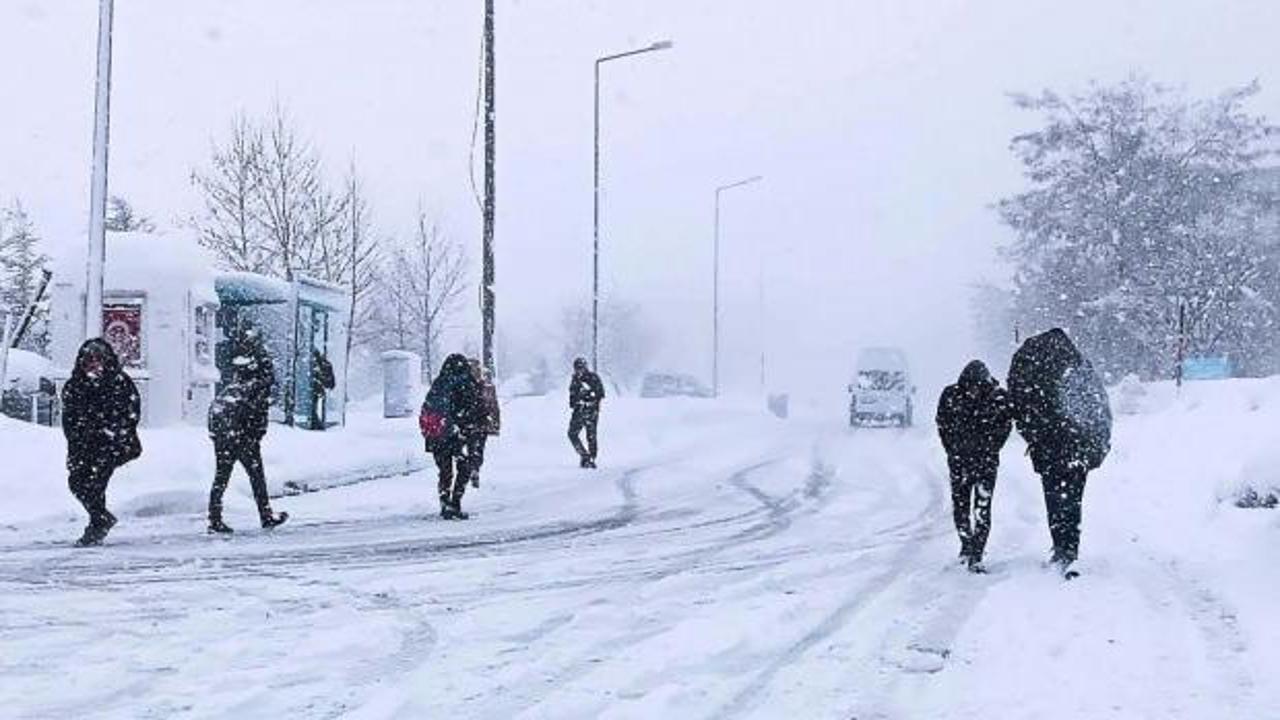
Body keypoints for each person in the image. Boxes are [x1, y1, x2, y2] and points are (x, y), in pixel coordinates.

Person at [1007, 328, 1111, 578]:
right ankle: (1070, 548)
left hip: (1049, 450)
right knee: (1073, 499)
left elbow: (1020, 408)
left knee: (1054, 499)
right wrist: (1095, 445)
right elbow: (1098, 409)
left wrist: (1034, 436)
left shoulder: (1032, 370)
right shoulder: (1078, 368)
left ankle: (1060, 546)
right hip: (1078, 449)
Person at [60, 338, 142, 547]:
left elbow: (131, 413)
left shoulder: (119, 383)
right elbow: (69, 418)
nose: (93, 366)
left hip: (111, 445)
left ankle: (96, 525)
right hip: (83, 446)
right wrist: (77, 439)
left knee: (96, 483)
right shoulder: (74, 385)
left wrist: (114, 433)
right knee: (77, 483)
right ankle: (100, 518)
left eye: (98, 360)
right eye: (88, 361)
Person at [206, 326, 288, 534]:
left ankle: (215, 518)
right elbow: (256, 410)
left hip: (225, 434)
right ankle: (265, 515)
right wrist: (253, 433)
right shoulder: (258, 383)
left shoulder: (238, 378)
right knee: (256, 475)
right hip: (243, 436)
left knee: (221, 476)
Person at [936, 360, 1012, 573]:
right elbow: (942, 423)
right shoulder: (951, 396)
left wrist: (991, 448)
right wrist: (952, 449)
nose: (973, 391)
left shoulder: (998, 398)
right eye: (970, 387)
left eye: (977, 387)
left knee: (982, 508)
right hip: (959, 462)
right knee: (961, 507)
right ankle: (966, 545)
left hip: (985, 463)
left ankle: (977, 552)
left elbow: (1005, 426)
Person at [421, 354, 484, 520]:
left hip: (437, 435)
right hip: (457, 435)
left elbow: (428, 409)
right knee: (464, 467)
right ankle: (456, 502)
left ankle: (444, 502)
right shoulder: (466, 383)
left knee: (445, 471)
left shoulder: (439, 383)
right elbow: (474, 410)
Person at [466, 358, 501, 489]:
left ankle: (471, 469)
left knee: (471, 448)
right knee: (479, 448)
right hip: (482, 423)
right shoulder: (487, 386)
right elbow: (494, 406)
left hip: (468, 423)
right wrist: (495, 424)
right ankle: (475, 469)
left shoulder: (464, 385)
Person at [567, 358, 605, 468]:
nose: (578, 370)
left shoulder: (593, 377)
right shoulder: (574, 379)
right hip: (578, 411)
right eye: (576, 368)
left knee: (591, 436)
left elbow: (601, 393)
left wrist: (588, 397)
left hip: (591, 411)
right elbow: (572, 396)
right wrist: (575, 402)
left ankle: (591, 459)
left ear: (585, 367)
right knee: (572, 434)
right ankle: (585, 456)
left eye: (580, 368)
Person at [310, 348, 336, 430]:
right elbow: (331, 383)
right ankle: (316, 422)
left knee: (312, 407)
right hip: (317, 390)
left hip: (314, 389)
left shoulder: (311, 363)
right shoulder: (325, 363)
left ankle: (315, 422)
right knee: (313, 407)